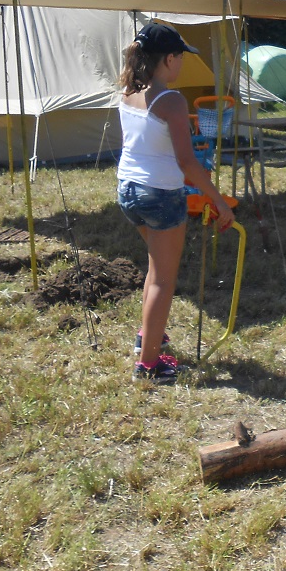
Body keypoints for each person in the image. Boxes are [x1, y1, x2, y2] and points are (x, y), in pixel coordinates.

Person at [117, 22, 235, 384]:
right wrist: (219, 201)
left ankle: (147, 337)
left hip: (128, 190)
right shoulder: (171, 101)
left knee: (156, 269)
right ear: (168, 59)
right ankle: (149, 366)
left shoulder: (128, 91)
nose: (182, 63)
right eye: (180, 56)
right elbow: (187, 163)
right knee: (163, 281)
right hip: (160, 195)